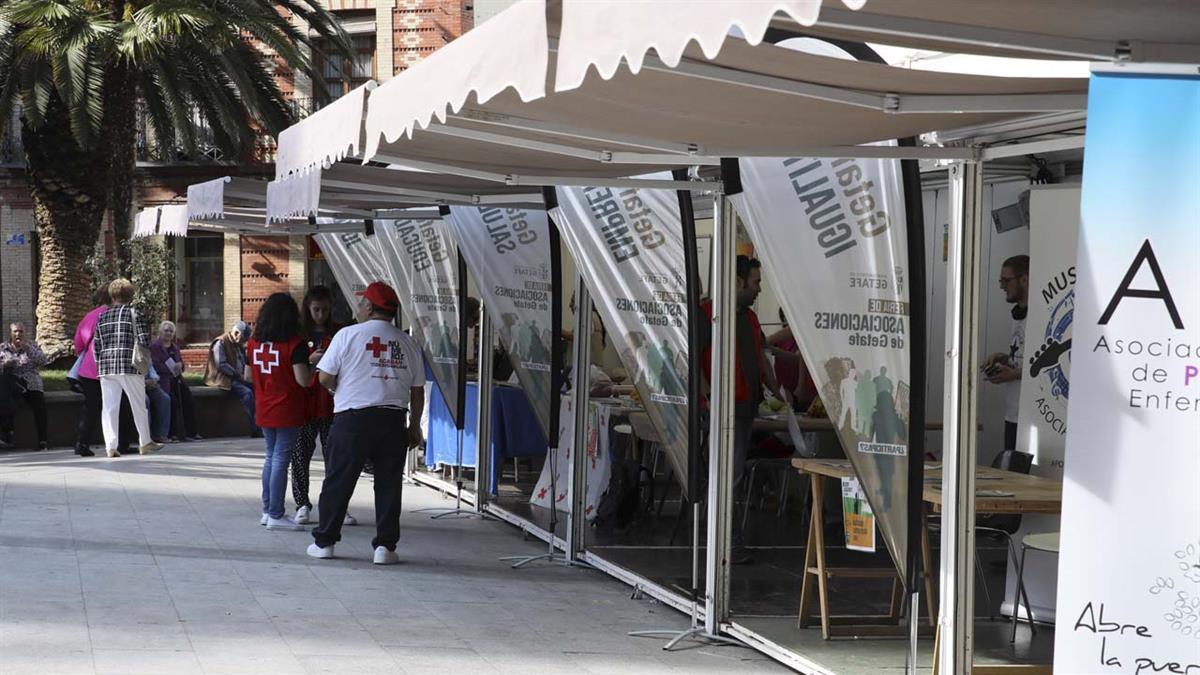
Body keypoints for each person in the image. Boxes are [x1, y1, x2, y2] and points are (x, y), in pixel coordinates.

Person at [307, 281, 425, 564]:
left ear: (369, 307)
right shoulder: (408, 342)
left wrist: (338, 388)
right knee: (388, 485)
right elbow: (417, 390)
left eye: (362, 303)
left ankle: (325, 542)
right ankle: (385, 547)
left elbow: (324, 377)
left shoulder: (347, 335)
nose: (359, 308)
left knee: (339, 481)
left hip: (352, 419)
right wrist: (415, 426)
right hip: (392, 420)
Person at [700, 256, 784, 486]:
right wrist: (709, 397)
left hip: (747, 407)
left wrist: (778, 394)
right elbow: (692, 361)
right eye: (756, 282)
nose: (759, 289)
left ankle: (728, 507)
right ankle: (711, 509)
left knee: (734, 470)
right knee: (721, 472)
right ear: (738, 282)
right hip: (720, 409)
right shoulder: (707, 314)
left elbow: (762, 358)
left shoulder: (751, 318)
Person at [291, 286, 356, 526]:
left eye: (325, 310)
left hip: (333, 403)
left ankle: (339, 506)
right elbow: (293, 368)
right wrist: (309, 360)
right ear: (308, 308)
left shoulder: (340, 332)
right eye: (316, 310)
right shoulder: (298, 335)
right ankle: (302, 504)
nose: (320, 315)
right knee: (300, 456)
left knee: (336, 459)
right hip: (305, 404)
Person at [246, 293, 311, 531]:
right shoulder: (295, 344)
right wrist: (315, 366)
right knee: (281, 460)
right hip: (287, 408)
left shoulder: (253, 343)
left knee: (270, 457)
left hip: (264, 406)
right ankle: (276, 513)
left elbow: (247, 376)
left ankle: (267, 511)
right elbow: (303, 380)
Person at [93, 278, 162, 458]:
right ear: (130, 295)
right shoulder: (135, 313)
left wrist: (99, 363)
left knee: (109, 408)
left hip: (107, 367)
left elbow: (97, 344)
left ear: (112, 295)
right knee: (138, 405)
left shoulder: (102, 316)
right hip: (129, 365)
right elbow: (144, 340)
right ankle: (145, 441)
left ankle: (110, 446)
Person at [982, 254, 1029, 452]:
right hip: (1012, 411)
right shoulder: (1017, 314)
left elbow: (1046, 367)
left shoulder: (1040, 316)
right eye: (1000, 281)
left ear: (1024, 279)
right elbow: (1025, 357)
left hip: (1031, 414)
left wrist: (1015, 374)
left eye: (1006, 280)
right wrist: (1005, 359)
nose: (1002, 286)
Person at [71, 286, 112, 457]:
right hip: (111, 367)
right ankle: (120, 443)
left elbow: (79, 342)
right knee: (117, 405)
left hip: (89, 368)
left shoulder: (91, 315)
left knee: (91, 407)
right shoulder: (116, 314)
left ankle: (82, 443)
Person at [0, 322, 50, 450]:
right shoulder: (3, 348)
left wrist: (28, 349)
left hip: (31, 382)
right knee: (6, 396)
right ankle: (7, 433)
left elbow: (43, 361)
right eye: (15, 331)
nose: (18, 334)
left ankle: (43, 441)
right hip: (12, 382)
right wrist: (5, 364)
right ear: (10, 333)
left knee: (39, 406)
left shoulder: (32, 346)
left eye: (21, 331)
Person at [204, 320, 258, 436]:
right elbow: (221, 364)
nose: (244, 342)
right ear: (237, 333)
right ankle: (254, 427)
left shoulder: (238, 344)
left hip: (238, 377)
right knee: (247, 393)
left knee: (258, 389)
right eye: (243, 339)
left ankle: (262, 423)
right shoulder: (220, 342)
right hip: (225, 378)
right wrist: (238, 375)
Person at [151, 321, 199, 442]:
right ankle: (171, 433)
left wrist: (180, 366)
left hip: (176, 378)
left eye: (171, 331)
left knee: (188, 399)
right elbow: (156, 366)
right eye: (166, 330)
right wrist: (171, 369)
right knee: (172, 401)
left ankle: (191, 432)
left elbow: (181, 364)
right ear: (160, 332)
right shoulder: (155, 347)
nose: (168, 333)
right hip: (162, 380)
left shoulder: (175, 347)